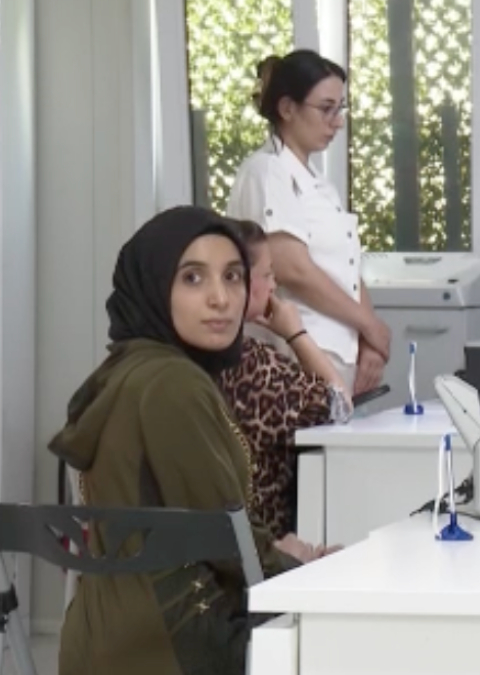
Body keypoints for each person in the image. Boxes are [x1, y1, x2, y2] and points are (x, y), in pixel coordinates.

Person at [49, 206, 327, 675]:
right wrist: (305, 568)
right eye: (193, 278)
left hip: (98, 637)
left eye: (233, 276)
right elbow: (227, 540)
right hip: (172, 642)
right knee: (349, 637)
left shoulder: (126, 370)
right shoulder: (174, 384)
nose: (221, 299)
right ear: (155, 286)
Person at [227, 49, 392, 395]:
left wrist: (369, 340)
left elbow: (347, 269)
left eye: (340, 108)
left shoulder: (319, 183)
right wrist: (368, 324)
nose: (338, 121)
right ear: (287, 108)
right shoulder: (267, 171)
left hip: (336, 355)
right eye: (326, 108)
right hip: (296, 357)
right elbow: (291, 269)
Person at [218, 219, 355, 539]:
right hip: (264, 549)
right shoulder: (253, 366)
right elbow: (340, 405)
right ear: (241, 282)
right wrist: (296, 333)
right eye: (267, 274)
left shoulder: (168, 358)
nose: (274, 285)